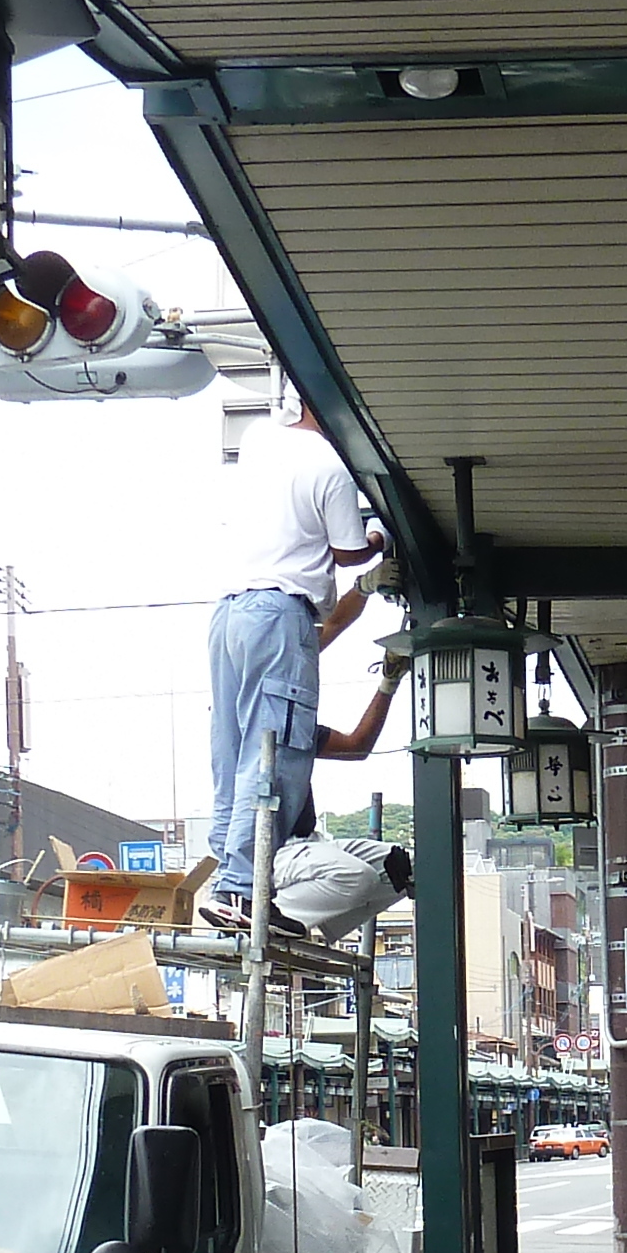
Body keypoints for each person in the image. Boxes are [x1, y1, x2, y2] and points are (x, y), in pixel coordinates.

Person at [203, 384, 399, 926]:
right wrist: (378, 539)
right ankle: (240, 888)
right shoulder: (333, 468)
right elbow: (348, 551)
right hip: (281, 608)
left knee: (237, 753)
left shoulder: (260, 438)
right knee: (277, 754)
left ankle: (236, 882)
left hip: (230, 614)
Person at [265, 834, 412, 943]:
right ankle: (271, 913)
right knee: (357, 876)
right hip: (275, 853)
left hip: (309, 842)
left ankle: (310, 922)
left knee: (408, 863)